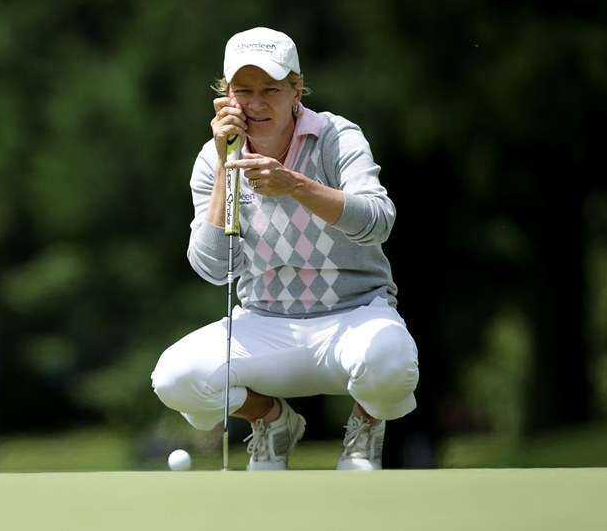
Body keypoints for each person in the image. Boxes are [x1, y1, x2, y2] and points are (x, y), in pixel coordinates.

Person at [151, 27, 419, 470]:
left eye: (270, 89)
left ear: (297, 88)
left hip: (353, 317)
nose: (256, 103)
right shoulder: (212, 158)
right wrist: (225, 167)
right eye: (243, 91)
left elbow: (378, 220)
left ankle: (366, 427)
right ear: (226, 95)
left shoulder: (336, 136)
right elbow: (215, 268)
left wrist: (294, 184)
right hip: (265, 323)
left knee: (391, 362)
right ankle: (273, 423)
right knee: (176, 377)